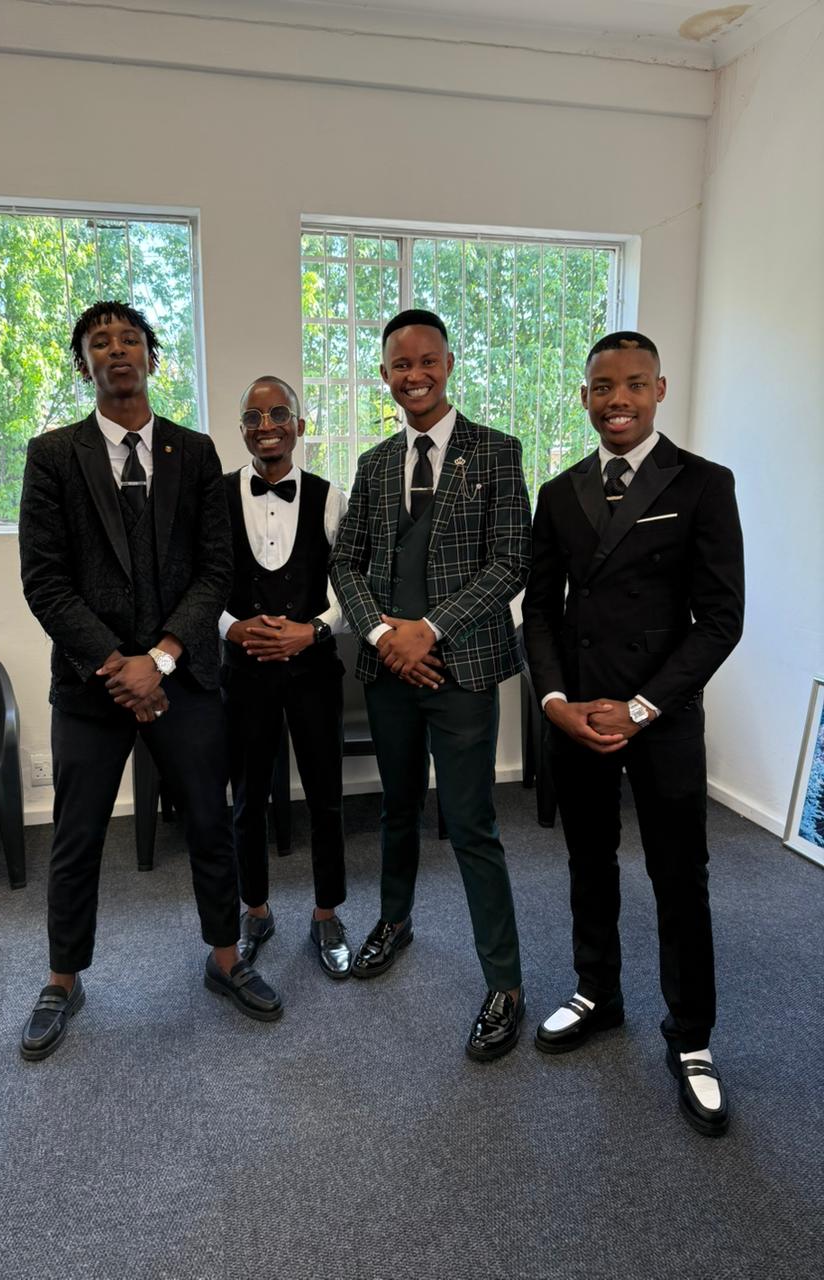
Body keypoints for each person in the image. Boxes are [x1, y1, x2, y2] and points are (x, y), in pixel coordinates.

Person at [17, 301, 282, 1060]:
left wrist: (159, 660)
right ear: (84, 366)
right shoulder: (52, 455)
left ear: (150, 357)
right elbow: (45, 581)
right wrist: (119, 666)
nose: (116, 350)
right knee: (76, 837)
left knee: (209, 821)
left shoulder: (193, 453)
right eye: (99, 342)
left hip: (183, 678)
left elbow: (216, 570)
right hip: (90, 685)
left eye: (129, 339)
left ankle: (225, 957)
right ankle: (63, 979)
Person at [522, 331, 744, 1136]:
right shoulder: (560, 491)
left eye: (634, 384)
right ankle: (598, 991)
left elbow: (720, 620)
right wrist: (555, 700)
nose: (617, 399)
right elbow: (540, 610)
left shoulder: (704, 483)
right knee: (588, 860)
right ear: (584, 395)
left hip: (662, 715)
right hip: (579, 715)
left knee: (680, 876)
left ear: (659, 390)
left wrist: (643, 707)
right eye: (602, 386)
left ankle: (692, 1037)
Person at [329, 308, 531, 1060]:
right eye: (399, 365)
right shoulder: (375, 463)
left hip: (461, 671)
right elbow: (345, 562)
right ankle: (395, 919)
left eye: (426, 361)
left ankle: (505, 984)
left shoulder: (497, 452)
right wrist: (386, 638)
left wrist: (431, 629)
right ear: (385, 374)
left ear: (448, 364)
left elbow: (511, 561)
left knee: (472, 825)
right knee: (397, 806)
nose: (413, 375)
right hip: (389, 673)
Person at [219, 375, 351, 979]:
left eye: (278, 414)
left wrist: (312, 630)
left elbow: (350, 587)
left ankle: (327, 914)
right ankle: (255, 910)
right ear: (242, 429)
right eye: (254, 417)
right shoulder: (216, 496)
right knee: (247, 798)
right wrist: (231, 628)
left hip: (313, 671)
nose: (266, 426)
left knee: (325, 795)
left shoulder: (330, 496)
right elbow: (201, 581)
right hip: (243, 674)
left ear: (299, 425)